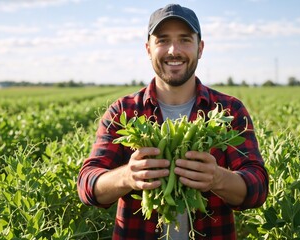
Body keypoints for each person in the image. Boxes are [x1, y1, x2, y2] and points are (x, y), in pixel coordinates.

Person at [77, 3, 268, 240]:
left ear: (200, 48)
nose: (173, 50)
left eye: (185, 40)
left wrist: (218, 178)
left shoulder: (229, 110)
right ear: (148, 49)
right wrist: (127, 176)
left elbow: (258, 187)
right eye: (163, 40)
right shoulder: (123, 111)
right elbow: (87, 186)